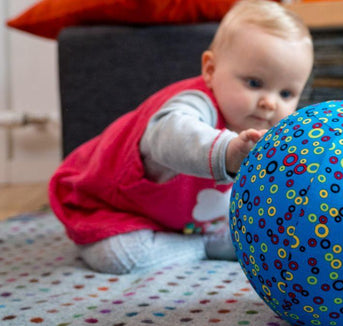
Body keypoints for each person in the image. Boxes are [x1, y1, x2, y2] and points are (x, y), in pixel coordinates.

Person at [48, 0, 314, 274]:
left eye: (286, 94)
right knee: (120, 256)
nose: (270, 103)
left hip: (176, 214)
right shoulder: (194, 105)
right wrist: (227, 152)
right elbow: (169, 134)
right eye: (254, 83)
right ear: (210, 71)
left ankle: (210, 237)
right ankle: (205, 246)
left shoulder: (260, 129)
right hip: (109, 205)